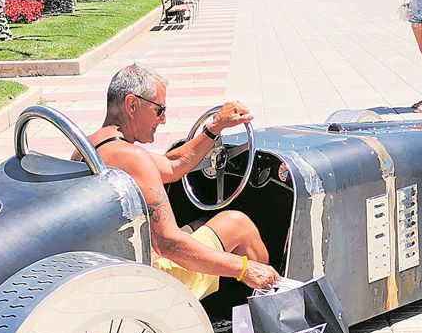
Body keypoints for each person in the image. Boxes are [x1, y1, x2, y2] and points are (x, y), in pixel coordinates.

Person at [84, 64, 281, 297]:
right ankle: (266, 309)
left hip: (118, 272)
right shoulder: (133, 158)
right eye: (159, 110)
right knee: (239, 224)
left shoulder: (89, 148)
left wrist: (214, 128)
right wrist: (245, 269)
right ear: (132, 104)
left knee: (201, 223)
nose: (164, 119)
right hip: (155, 282)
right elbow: (167, 243)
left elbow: (173, 166)